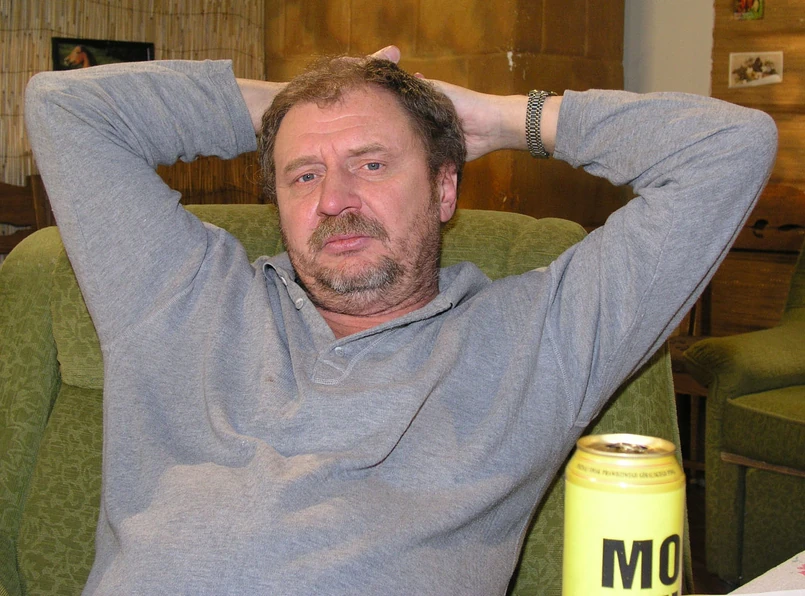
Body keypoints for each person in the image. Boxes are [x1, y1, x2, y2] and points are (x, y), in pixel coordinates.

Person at [24, 44, 777, 594]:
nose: (333, 199)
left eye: (372, 162)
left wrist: (499, 118)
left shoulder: (538, 338)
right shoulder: (180, 296)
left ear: (445, 191)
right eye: (303, 174)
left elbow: (729, 148)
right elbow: (65, 108)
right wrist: (312, 100)